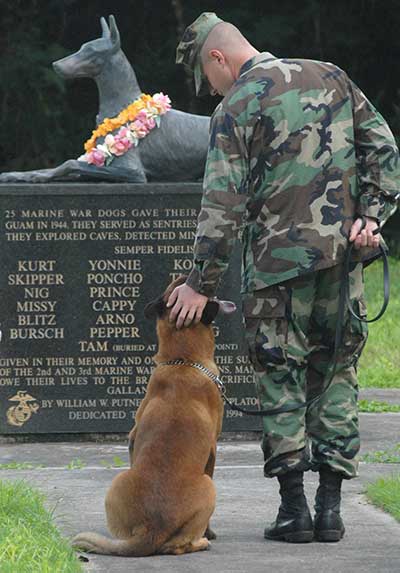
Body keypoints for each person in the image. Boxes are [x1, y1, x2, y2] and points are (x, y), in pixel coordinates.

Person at [168, 12, 399, 543]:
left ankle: (293, 511)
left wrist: (199, 282)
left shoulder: (237, 106)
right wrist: (372, 217)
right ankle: (332, 511)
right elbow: (384, 151)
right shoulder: (332, 75)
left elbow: (221, 204)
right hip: (341, 265)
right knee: (336, 373)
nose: (212, 91)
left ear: (217, 58)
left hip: (274, 272)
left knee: (280, 377)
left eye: (209, 80)